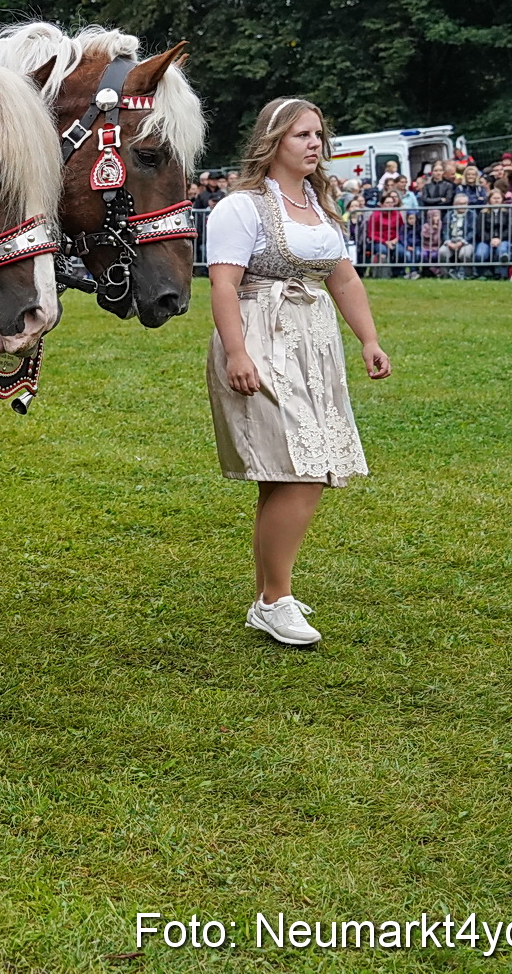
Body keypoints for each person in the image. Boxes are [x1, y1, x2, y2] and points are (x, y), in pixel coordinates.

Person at [205, 96, 390, 646]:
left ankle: (270, 593)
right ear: (273, 141)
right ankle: (275, 601)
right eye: (301, 135)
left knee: (287, 473)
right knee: (303, 470)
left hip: (313, 343)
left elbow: (345, 280)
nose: (314, 144)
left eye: (318, 135)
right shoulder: (241, 208)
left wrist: (369, 340)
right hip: (261, 338)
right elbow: (223, 285)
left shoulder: (319, 203)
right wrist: (238, 353)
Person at [474, 188, 512, 278]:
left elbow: (510, 228)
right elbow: (480, 230)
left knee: (502, 251)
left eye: (498, 198)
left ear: (502, 199)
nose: (496, 200)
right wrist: (490, 239)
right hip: (486, 240)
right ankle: (482, 274)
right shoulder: (482, 213)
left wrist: (499, 239)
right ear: (489, 199)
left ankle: (501, 274)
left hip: (503, 239)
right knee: (480, 253)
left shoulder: (508, 212)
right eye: (494, 198)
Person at [439, 193, 477, 278]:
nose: (463, 206)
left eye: (465, 204)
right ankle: (445, 275)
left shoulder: (472, 214)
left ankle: (467, 274)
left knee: (465, 253)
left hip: (466, 242)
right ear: (454, 205)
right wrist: (448, 242)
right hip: (451, 241)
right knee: (442, 251)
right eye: (460, 204)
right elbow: (445, 230)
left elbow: (473, 231)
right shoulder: (449, 215)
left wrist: (462, 242)